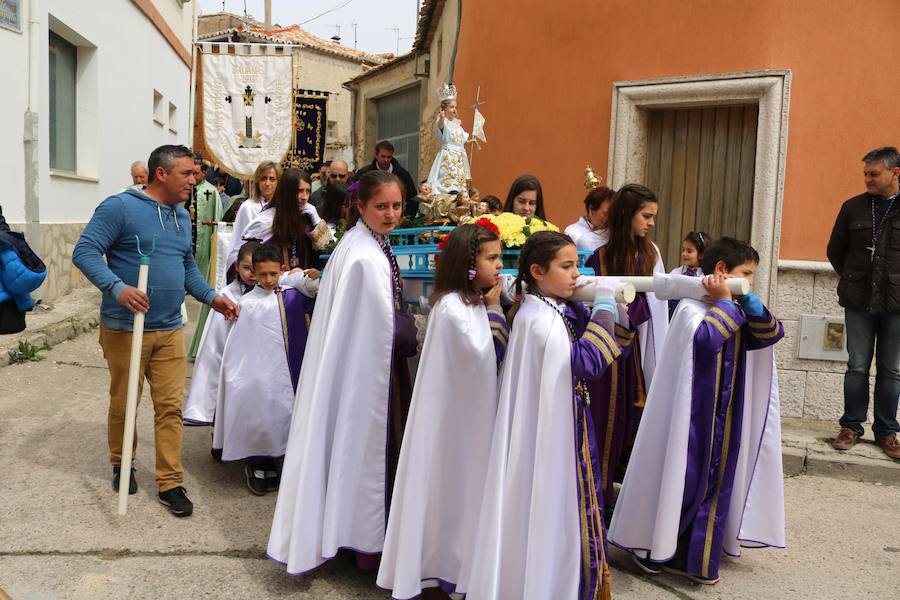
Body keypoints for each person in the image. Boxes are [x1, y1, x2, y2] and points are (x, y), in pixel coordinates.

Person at [72, 144, 240, 517]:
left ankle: (170, 481)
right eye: (187, 174)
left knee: (169, 407)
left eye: (195, 174)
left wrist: (213, 298)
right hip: (124, 328)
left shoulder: (181, 215)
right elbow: (84, 251)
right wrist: (118, 288)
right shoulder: (120, 207)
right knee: (125, 400)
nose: (194, 180)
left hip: (169, 327)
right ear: (161, 174)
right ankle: (122, 463)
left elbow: (187, 268)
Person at [459, 231, 627, 600]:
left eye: (576, 265)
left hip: (557, 428)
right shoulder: (539, 322)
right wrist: (603, 306)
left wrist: (595, 307)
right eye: (566, 267)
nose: (575, 274)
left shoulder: (545, 308)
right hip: (554, 439)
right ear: (537, 271)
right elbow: (586, 362)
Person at [609, 237, 786, 585]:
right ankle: (662, 548)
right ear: (721, 271)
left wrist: (746, 300)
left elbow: (770, 333)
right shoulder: (692, 310)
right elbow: (707, 342)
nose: (749, 281)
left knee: (712, 484)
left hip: (724, 415)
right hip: (692, 421)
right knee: (686, 482)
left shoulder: (734, 305)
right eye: (745, 275)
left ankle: (695, 554)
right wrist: (726, 303)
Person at [268, 170, 418, 574]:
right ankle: (365, 543)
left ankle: (354, 535)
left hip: (365, 369)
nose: (390, 214)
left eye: (396, 206)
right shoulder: (364, 256)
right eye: (381, 206)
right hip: (368, 377)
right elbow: (383, 327)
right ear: (361, 207)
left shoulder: (365, 243)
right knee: (368, 449)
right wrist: (417, 328)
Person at [377, 221, 508, 599]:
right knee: (452, 491)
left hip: (470, 420)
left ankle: (463, 565)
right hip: (456, 426)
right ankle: (445, 566)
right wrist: (497, 311)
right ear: (469, 263)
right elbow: (486, 355)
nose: (500, 265)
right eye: (492, 258)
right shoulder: (452, 307)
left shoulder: (469, 302)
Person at [585, 183, 668, 513]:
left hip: (636, 353)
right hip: (605, 357)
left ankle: (629, 508)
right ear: (625, 215)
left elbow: (656, 302)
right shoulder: (598, 256)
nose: (650, 223)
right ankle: (597, 502)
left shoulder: (651, 254)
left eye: (653, 217)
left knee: (630, 426)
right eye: (645, 216)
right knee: (602, 424)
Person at [217, 243, 319, 495]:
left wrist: (313, 277)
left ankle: (282, 457)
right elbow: (240, 343)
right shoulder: (247, 303)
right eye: (262, 274)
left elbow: (315, 293)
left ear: (281, 270)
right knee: (260, 411)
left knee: (285, 410)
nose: (268, 279)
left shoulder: (292, 294)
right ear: (254, 272)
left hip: (287, 369)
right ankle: (258, 459)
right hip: (257, 372)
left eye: (273, 274)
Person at [827, 146, 900, 459]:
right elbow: (835, 251)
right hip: (858, 302)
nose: (868, 179)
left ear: (894, 173)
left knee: (892, 369)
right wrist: (854, 280)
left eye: (874, 174)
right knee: (856, 366)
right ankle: (852, 426)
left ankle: (887, 431)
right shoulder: (852, 207)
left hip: (898, 304)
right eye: (865, 174)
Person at [182, 240, 259, 429]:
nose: (252, 273)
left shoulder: (269, 293)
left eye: (256, 268)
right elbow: (215, 342)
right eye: (246, 267)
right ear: (237, 266)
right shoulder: (228, 295)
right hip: (231, 359)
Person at [232, 168, 330, 271]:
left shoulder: (308, 217)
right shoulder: (266, 221)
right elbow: (246, 259)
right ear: (286, 192)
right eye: (300, 191)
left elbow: (328, 251)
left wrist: (316, 220)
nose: (304, 197)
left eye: (308, 191)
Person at [186, 155, 226, 359]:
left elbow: (217, 217)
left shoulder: (210, 191)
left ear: (203, 172)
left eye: (197, 172)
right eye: (191, 172)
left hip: (203, 239)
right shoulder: (184, 188)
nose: (194, 176)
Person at [226, 161, 281, 272]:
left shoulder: (283, 207)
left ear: (279, 182)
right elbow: (239, 242)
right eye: (263, 178)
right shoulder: (248, 207)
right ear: (257, 181)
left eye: (272, 179)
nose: (267, 183)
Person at [427, 84, 472, 195]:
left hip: (459, 158)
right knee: (446, 180)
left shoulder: (458, 126)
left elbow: (461, 140)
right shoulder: (443, 123)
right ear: (444, 109)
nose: (454, 109)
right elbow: (441, 128)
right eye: (451, 107)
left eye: (455, 107)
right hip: (448, 157)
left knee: (459, 182)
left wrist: (471, 142)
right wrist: (442, 118)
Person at [356, 140, 418, 209]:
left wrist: (405, 217)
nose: (386, 160)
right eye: (383, 156)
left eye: (389, 157)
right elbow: (356, 197)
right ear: (376, 155)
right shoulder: (364, 173)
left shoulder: (403, 175)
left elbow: (412, 199)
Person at [668, 231, 711, 317]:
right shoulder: (675, 273)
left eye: (689, 251)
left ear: (701, 254)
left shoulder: (706, 276)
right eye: (683, 250)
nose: (684, 254)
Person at [565, 186, 615, 252]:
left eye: (612, 214)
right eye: (605, 213)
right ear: (591, 209)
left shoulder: (613, 233)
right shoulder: (573, 232)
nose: (609, 218)